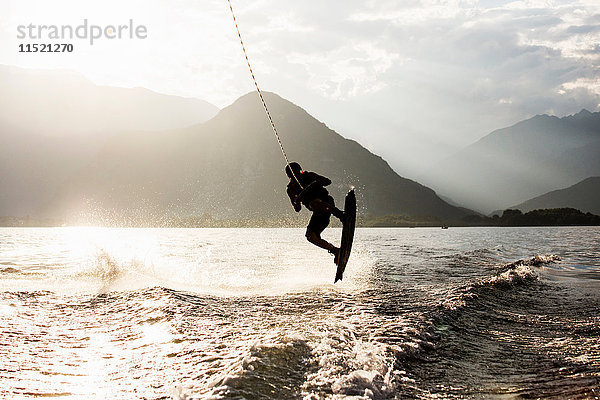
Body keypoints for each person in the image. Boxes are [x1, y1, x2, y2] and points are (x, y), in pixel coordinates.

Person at [285, 162, 345, 262]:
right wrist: (297, 201)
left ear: (301, 171)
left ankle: (341, 215)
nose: (296, 176)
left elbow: (328, 181)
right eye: (293, 175)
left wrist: (314, 183)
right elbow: (297, 209)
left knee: (314, 202)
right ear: (289, 176)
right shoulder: (291, 189)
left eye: (297, 173)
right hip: (318, 214)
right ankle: (335, 250)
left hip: (327, 203)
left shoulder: (309, 176)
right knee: (310, 236)